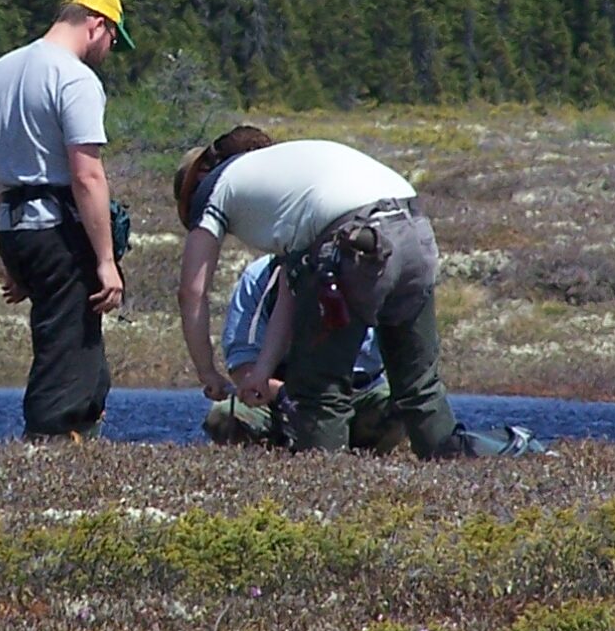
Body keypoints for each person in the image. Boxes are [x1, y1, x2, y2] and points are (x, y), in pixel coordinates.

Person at [176, 127, 533, 458]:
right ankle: (462, 466)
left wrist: (207, 372)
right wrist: (264, 368)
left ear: (203, 177)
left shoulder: (216, 188)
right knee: (419, 389)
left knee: (319, 391)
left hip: (352, 242)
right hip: (414, 229)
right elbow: (291, 287)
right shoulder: (293, 175)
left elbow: (193, 292)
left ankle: (323, 498)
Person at [0, 0, 132, 441]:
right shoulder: (75, 78)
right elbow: (87, 175)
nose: (109, 50)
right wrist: (106, 260)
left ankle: (76, 435)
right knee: (67, 347)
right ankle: (49, 445)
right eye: (113, 39)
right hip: (59, 231)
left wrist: (8, 247)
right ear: (96, 23)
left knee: (67, 340)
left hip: (17, 227)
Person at [202, 252, 401, 451]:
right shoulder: (258, 277)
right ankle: (280, 453)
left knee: (404, 410)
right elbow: (242, 366)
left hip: (356, 395)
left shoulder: (369, 273)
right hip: (276, 400)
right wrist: (282, 396)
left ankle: (357, 453)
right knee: (223, 417)